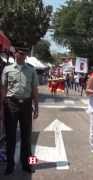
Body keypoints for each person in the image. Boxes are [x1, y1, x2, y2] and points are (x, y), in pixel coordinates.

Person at [0, 45, 39, 175]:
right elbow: (3, 88)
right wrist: (1, 106)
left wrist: (36, 106)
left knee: (27, 137)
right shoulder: (7, 69)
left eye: (23, 53)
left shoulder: (31, 70)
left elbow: (34, 89)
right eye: (19, 52)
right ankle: (9, 165)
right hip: (11, 104)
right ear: (15, 54)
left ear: (26, 56)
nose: (21, 55)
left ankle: (28, 164)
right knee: (10, 136)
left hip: (27, 104)